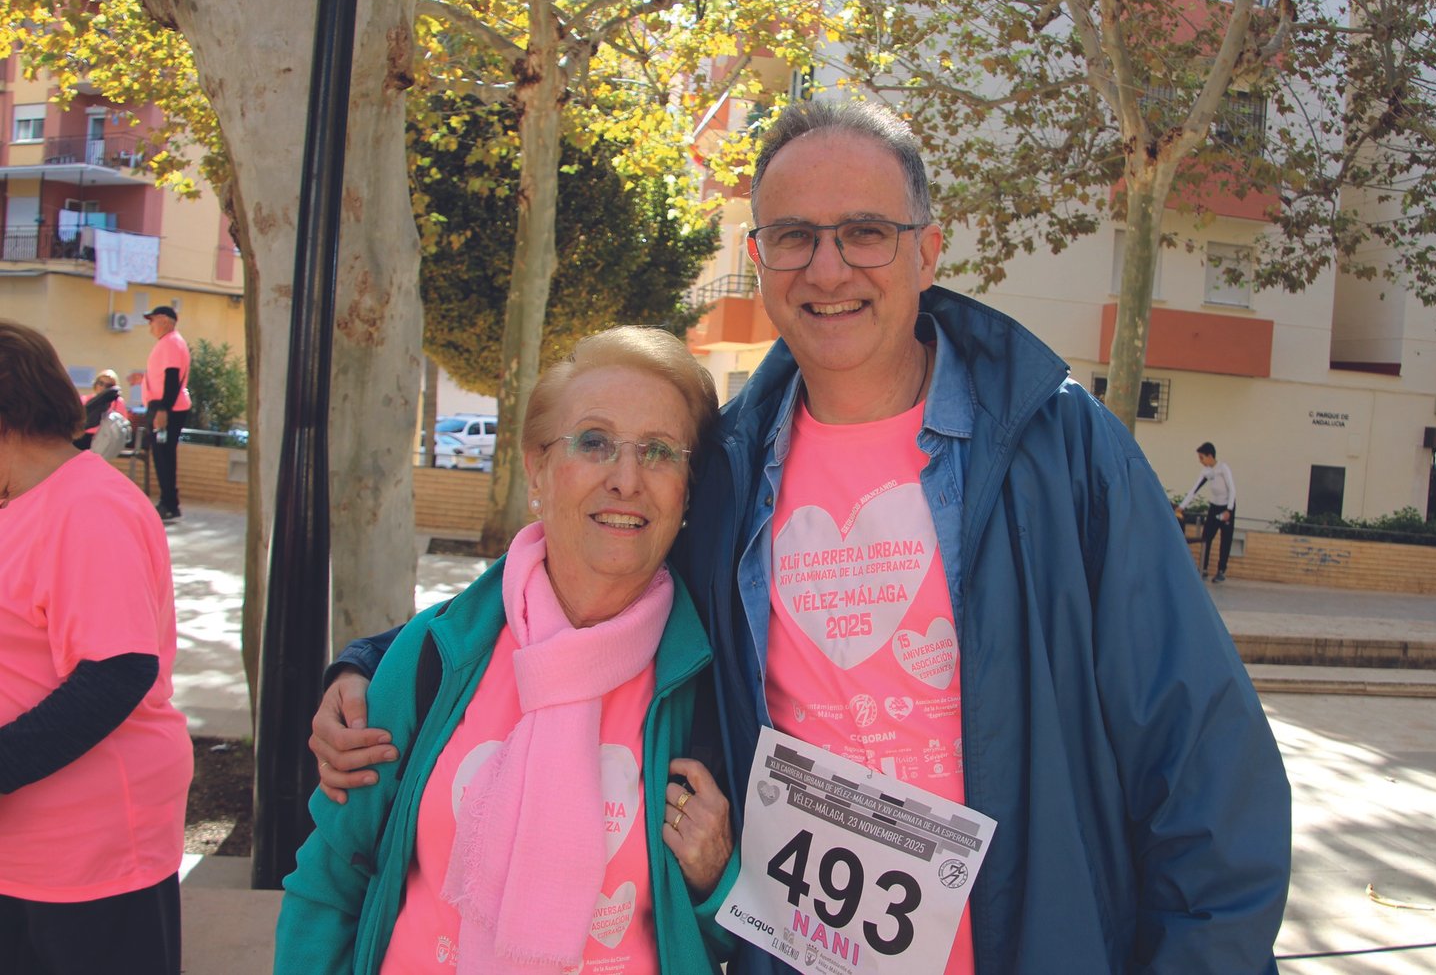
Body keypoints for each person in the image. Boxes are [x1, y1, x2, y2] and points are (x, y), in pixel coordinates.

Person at [315, 102, 1291, 972]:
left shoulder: (1056, 448)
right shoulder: (727, 469)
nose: (828, 268)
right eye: (793, 237)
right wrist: (372, 664)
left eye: (865, 232)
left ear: (927, 251)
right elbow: (581, 581)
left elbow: (1203, 753)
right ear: (762, 256)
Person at [275, 327, 738, 975]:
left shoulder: (712, 686)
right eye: (594, 442)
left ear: (686, 492)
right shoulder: (430, 659)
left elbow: (731, 938)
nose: (626, 479)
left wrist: (717, 878)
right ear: (537, 468)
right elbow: (331, 882)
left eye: (660, 452)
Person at [0, 320, 193, 975]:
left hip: (88, 849)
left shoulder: (88, 507)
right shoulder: (23, 502)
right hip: (26, 849)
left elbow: (115, 673)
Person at [142, 305, 191, 521]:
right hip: (164, 406)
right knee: (163, 456)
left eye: (152, 321)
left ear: (164, 320)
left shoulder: (171, 343)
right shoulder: (170, 342)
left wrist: (163, 410)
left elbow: (172, 378)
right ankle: (169, 502)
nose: (150, 326)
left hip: (166, 408)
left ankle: (169, 503)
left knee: (164, 456)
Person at [1176, 441, 1238, 584]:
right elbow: (1194, 490)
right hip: (1214, 507)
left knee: (1225, 540)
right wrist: (1182, 506)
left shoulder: (1223, 468)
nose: (1200, 461)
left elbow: (1232, 489)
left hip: (1226, 507)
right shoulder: (1206, 471)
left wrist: (1229, 510)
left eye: (1202, 457)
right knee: (1207, 536)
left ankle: (1221, 571)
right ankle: (1203, 568)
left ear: (1210, 456)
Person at [72, 368, 130, 452]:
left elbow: (122, 422)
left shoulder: (118, 402)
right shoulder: (85, 399)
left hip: (105, 437)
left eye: (109, 385)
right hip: (84, 436)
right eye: (101, 383)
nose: (103, 387)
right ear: (96, 383)